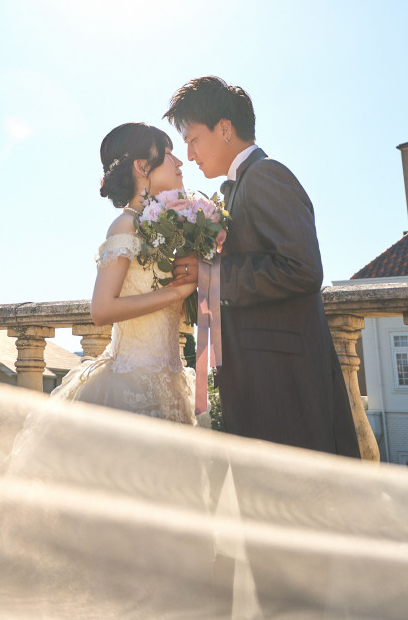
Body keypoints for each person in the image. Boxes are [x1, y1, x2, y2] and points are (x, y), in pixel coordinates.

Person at [164, 76, 360, 457]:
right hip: (262, 380)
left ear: (224, 129)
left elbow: (302, 268)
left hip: (284, 386)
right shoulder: (239, 186)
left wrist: (211, 275)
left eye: (193, 139)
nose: (189, 154)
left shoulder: (266, 175)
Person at [49, 121, 197, 424]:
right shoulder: (125, 226)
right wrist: (177, 292)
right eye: (168, 153)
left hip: (170, 381)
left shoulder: (167, 227)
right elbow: (102, 310)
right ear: (142, 166)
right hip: (130, 385)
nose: (179, 162)